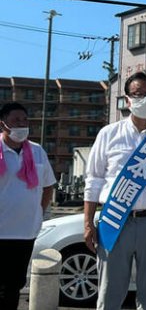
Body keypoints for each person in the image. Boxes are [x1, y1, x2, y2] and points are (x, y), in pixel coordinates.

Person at [84, 71, 146, 310]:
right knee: (110, 293)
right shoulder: (108, 134)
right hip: (115, 219)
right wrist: (88, 222)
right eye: (138, 94)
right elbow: (94, 180)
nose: (145, 99)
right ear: (127, 99)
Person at [0, 102, 56, 309]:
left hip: (25, 231)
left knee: (14, 285)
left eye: (25, 120)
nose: (22, 125)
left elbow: (48, 185)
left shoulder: (37, 151)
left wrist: (39, 212)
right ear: (3, 124)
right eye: (16, 121)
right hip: (1, 231)